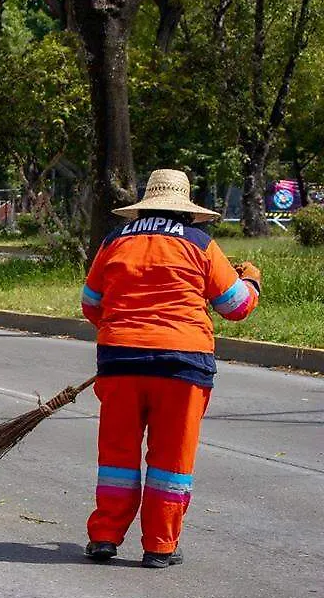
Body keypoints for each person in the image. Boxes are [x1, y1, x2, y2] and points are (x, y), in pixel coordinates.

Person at [81, 169, 261, 568]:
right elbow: (236, 307)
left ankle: (105, 536)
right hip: (183, 366)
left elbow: (91, 304)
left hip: (119, 362)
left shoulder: (114, 241)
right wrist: (252, 280)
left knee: (117, 456)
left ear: (145, 204)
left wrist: (125, 334)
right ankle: (160, 546)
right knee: (171, 460)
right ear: (187, 210)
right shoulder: (200, 243)